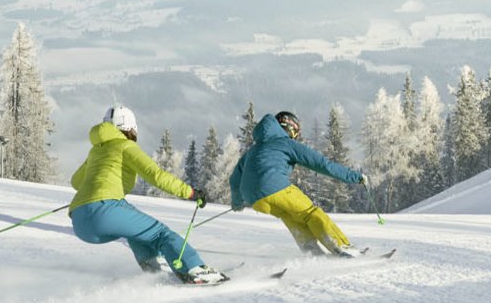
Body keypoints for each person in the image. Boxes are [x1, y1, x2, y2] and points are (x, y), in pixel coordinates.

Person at [68, 105, 228, 285]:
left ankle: (155, 270)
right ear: (130, 128)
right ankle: (194, 269)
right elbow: (156, 175)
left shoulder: (96, 150)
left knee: (136, 233)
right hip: (105, 210)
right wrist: (190, 192)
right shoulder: (125, 146)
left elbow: (76, 181)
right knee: (161, 234)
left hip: (80, 221)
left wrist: (93, 186)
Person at [228, 110, 365, 257]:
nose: (296, 136)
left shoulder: (252, 150)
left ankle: (312, 252)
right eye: (297, 132)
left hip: (254, 199)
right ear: (290, 127)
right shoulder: (286, 143)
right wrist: (355, 177)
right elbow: (323, 165)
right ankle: (342, 247)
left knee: (291, 217)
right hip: (275, 187)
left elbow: (234, 179)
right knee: (311, 213)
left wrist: (237, 202)